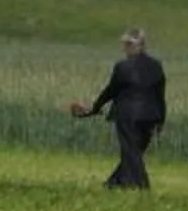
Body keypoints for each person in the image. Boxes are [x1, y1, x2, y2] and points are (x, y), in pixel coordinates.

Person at [71, 30, 167, 190]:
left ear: (139, 46)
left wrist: (95, 107)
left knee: (131, 152)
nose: (126, 48)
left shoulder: (122, 67)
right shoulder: (156, 66)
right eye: (125, 44)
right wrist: (161, 120)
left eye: (129, 44)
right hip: (151, 116)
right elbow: (160, 95)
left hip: (127, 115)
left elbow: (111, 91)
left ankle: (142, 186)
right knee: (134, 152)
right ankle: (114, 183)